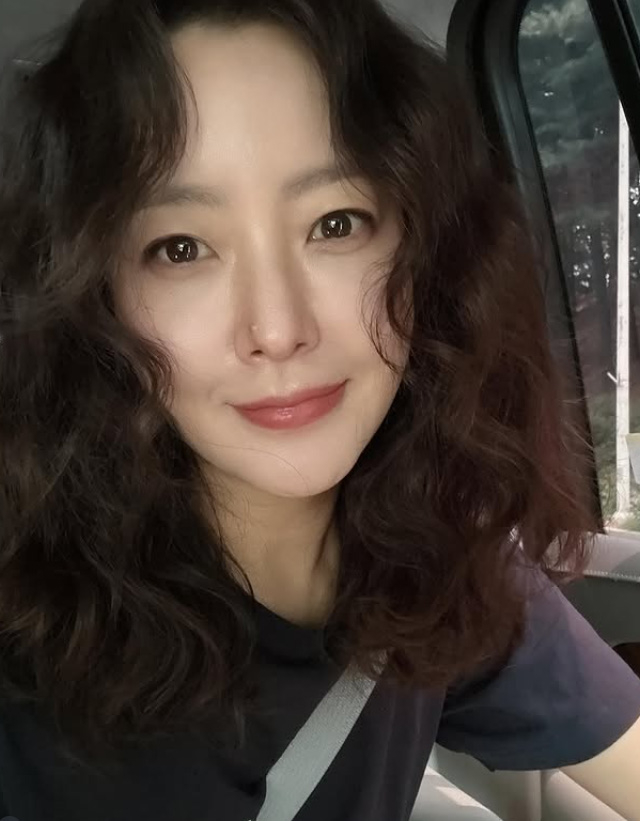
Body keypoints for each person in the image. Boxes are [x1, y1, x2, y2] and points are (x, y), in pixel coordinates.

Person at [0, 0, 639, 819]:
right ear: (95, 297)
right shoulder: (28, 637)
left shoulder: (445, 561)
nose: (277, 329)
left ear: (427, 253)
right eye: (180, 248)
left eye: (337, 223)